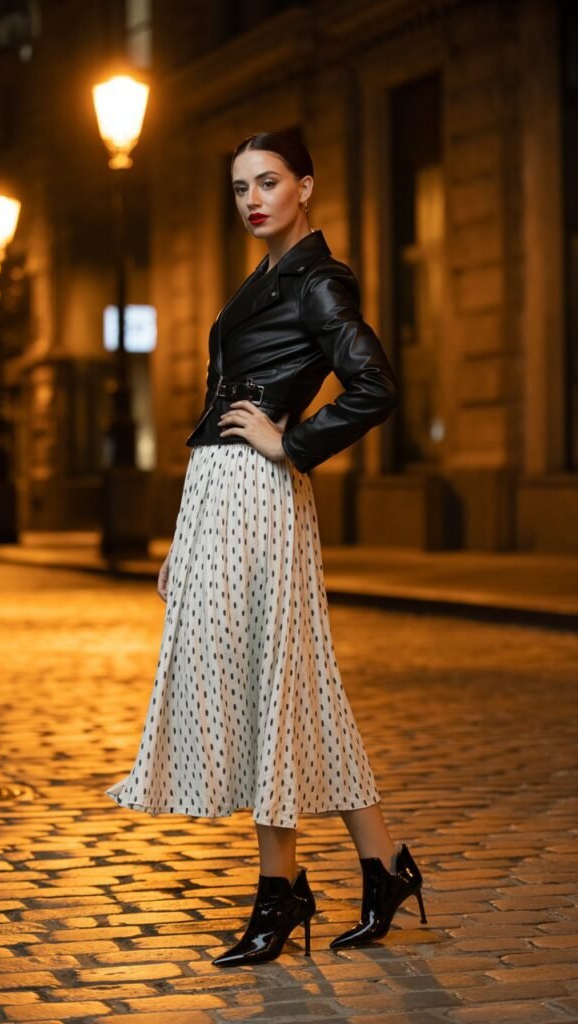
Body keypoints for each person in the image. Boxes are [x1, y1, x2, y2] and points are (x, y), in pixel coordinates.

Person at [105, 129, 428, 966]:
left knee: (264, 686)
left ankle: (279, 894)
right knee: (296, 684)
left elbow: (376, 383)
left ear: (305, 188)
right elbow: (221, 404)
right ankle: (383, 865)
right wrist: (186, 536)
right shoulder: (266, 279)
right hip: (219, 498)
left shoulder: (318, 281)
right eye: (242, 186)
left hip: (256, 493)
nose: (253, 198)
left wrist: (296, 443)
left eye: (270, 182)